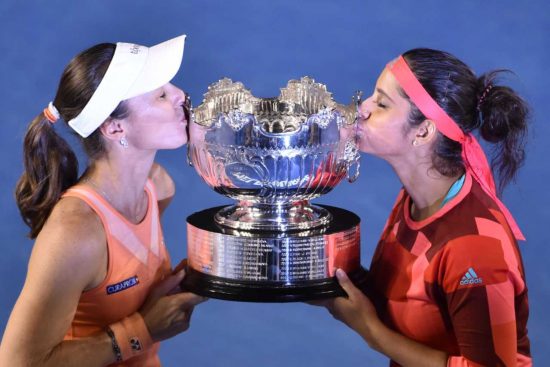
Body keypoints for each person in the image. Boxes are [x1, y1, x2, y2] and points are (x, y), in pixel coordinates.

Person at [314, 48, 531, 366]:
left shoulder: (475, 249)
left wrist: (372, 332)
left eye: (382, 103)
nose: (362, 109)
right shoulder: (417, 200)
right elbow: (411, 300)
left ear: (424, 131)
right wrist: (316, 279)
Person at [0, 35, 207, 366]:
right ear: (114, 129)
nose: (181, 95)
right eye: (161, 95)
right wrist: (142, 329)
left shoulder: (158, 187)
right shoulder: (75, 233)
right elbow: (19, 363)